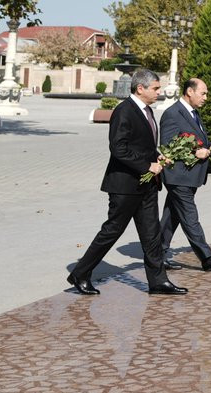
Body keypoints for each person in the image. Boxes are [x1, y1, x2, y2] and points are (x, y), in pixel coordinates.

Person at [67, 69, 187, 295]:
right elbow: (118, 148)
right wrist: (147, 166)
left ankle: (158, 281)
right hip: (125, 186)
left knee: (152, 235)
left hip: (147, 185)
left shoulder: (147, 111)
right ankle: (80, 273)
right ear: (140, 88)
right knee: (112, 230)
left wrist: (157, 157)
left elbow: (142, 146)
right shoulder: (124, 111)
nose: (159, 92)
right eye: (155, 88)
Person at [159, 78, 211, 271]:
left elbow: (196, 140)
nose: (206, 97)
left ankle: (157, 255)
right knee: (189, 215)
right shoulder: (172, 114)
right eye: (203, 93)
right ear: (190, 91)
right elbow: (167, 146)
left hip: (189, 176)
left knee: (171, 217)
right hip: (178, 176)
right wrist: (195, 152)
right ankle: (206, 257)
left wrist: (209, 147)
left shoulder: (193, 113)